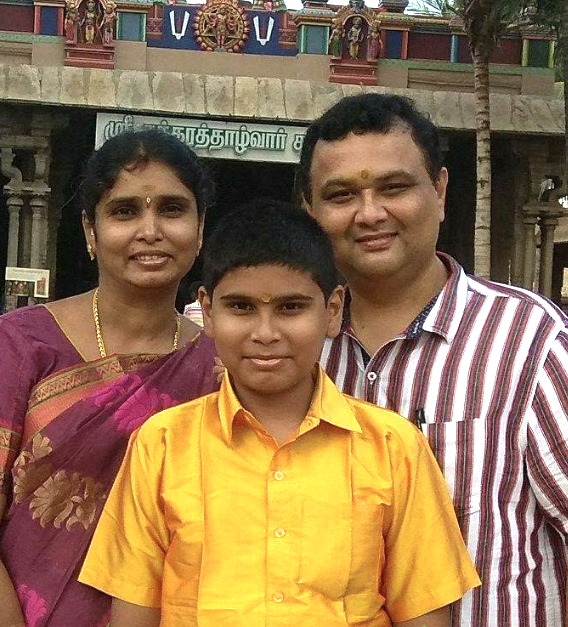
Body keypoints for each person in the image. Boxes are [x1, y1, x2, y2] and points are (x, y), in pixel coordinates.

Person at [79, 199, 480, 627]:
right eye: (241, 307)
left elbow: (423, 613)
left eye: (290, 308)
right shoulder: (161, 445)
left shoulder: (392, 447)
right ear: (208, 310)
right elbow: (133, 611)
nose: (265, 333)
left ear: (331, 310)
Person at [299, 92, 568, 627]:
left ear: (440, 191)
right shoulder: (288, 349)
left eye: (394, 187)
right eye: (341, 195)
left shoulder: (528, 342)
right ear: (310, 212)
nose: (370, 213)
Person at [0, 130, 218, 627]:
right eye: (124, 211)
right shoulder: (18, 344)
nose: (150, 230)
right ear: (90, 232)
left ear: (200, 229)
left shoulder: (219, 369)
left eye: (171, 209)